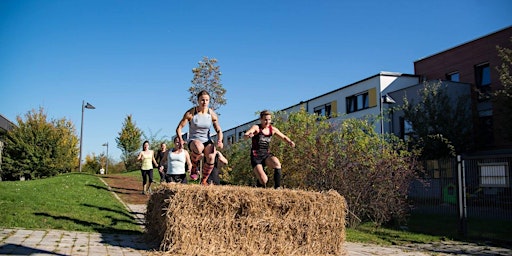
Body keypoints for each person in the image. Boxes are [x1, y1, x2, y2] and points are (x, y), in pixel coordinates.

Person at [176, 90, 224, 185]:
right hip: (194, 140)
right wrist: (181, 139)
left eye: (207, 100)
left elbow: (218, 130)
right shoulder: (191, 113)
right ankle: (194, 167)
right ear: (198, 101)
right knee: (199, 147)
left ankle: (204, 180)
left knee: (211, 156)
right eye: (202, 100)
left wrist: (220, 140)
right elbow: (179, 128)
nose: (204, 102)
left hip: (207, 140)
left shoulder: (212, 114)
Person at [244, 110, 295, 189]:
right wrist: (248, 135)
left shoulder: (273, 129)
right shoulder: (256, 128)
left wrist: (290, 141)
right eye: (265, 120)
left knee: (277, 163)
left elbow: (283, 137)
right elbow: (246, 134)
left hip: (266, 155)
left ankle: (277, 188)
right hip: (256, 156)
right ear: (261, 119)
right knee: (264, 180)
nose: (267, 122)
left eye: (269, 120)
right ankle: (259, 185)